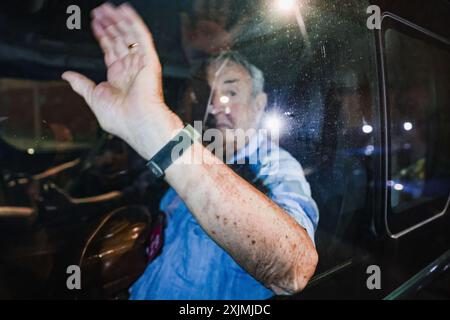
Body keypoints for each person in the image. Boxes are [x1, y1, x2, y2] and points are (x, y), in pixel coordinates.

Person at [62, 2, 319, 300]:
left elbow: (295, 269)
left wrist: (157, 132)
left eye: (231, 92)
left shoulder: (272, 165)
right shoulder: (193, 147)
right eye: (206, 94)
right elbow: (139, 201)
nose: (214, 106)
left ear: (259, 105)